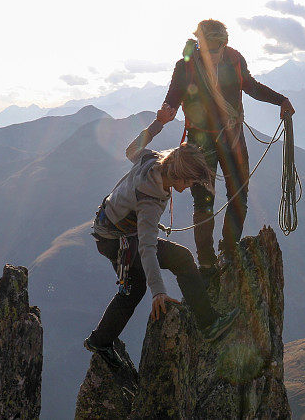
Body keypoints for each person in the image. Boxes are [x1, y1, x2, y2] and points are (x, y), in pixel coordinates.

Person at [84, 117, 239, 368]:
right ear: (178, 175)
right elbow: (147, 248)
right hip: (117, 240)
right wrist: (160, 292)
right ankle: (209, 324)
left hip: (109, 230)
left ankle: (100, 341)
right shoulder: (150, 200)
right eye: (188, 181)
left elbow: (130, 150)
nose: (189, 187)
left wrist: (159, 123)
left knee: (133, 290)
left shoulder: (153, 159)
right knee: (179, 261)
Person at [158, 19, 296, 269]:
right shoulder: (186, 66)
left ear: (224, 44)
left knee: (239, 195)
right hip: (203, 141)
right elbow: (173, 99)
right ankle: (208, 264)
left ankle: (229, 251)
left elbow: (251, 86)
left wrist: (281, 101)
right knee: (203, 202)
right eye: (202, 46)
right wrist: (166, 112)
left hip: (229, 136)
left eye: (212, 48)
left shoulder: (234, 59)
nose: (207, 53)